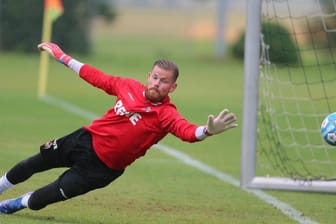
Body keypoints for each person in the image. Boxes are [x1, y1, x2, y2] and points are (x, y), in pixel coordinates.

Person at [0, 42, 238, 214]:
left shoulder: (166, 114)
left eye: (164, 81)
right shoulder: (128, 86)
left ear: (173, 87)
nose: (157, 83)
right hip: (83, 140)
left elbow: (187, 131)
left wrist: (207, 131)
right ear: (149, 76)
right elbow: (96, 77)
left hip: (102, 169)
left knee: (43, 198)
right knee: (33, 163)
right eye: (155, 77)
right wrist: (63, 56)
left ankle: (18, 203)